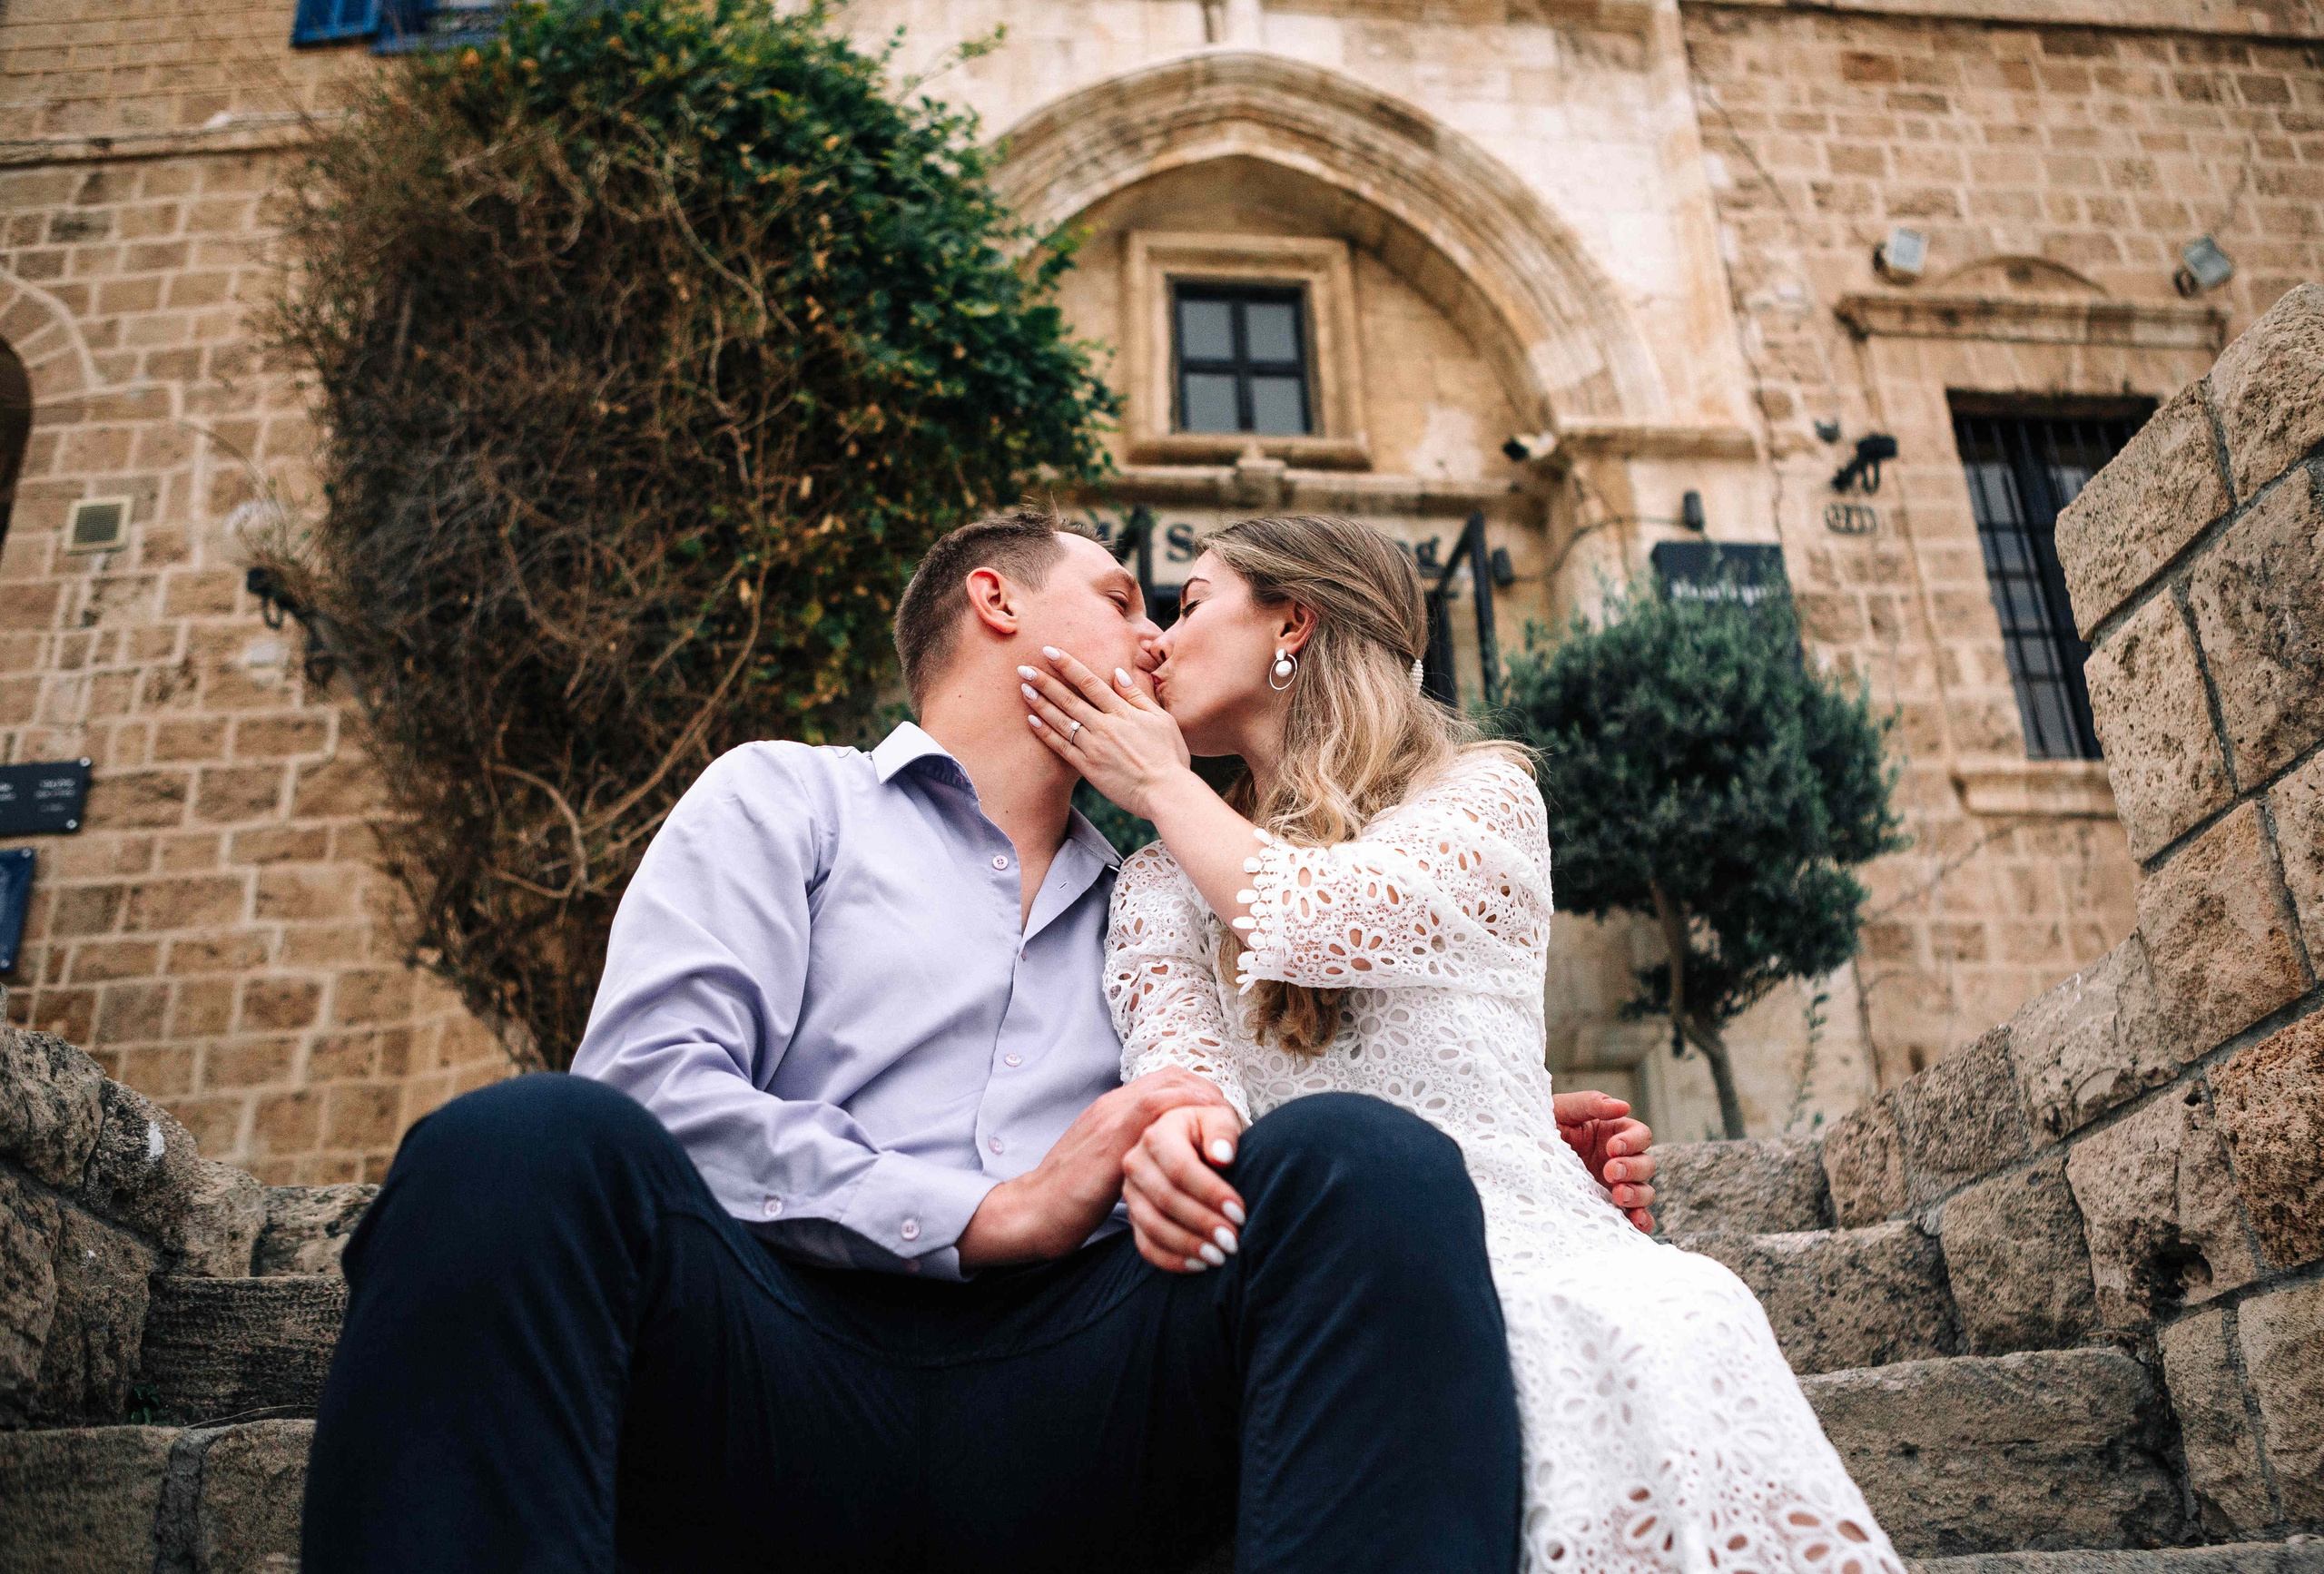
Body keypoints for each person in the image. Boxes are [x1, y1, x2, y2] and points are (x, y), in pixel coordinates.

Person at [300, 503, 1659, 1573]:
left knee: (1373, 1163)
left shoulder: (1159, 890)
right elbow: (653, 1090)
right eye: (1125, 601)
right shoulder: (789, 802)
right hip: (771, 1352)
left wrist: (1483, 1125)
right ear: (997, 603)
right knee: (519, 1142)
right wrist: (977, 1213)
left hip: (1085, 1383)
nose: (1155, 642)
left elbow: (1239, 1098)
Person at [1019, 513, 1905, 1574]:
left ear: (1292, 622)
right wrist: (1175, 1134)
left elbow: (1317, 917)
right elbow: (1180, 1063)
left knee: (1669, 1311)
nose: (1159, 641)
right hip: (1330, 1264)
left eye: (1190, 602)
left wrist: (1160, 784)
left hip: (1538, 1233)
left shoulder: (1483, 798)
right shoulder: (1158, 880)